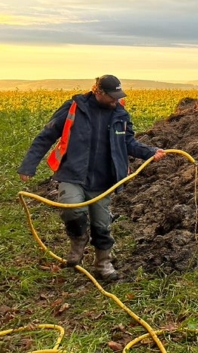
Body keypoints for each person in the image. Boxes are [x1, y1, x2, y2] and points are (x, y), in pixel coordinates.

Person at [17, 75, 166, 281]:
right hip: (73, 173)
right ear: (98, 92)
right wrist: (28, 165)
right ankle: (79, 240)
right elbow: (47, 135)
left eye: (118, 96)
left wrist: (150, 152)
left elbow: (129, 142)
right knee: (71, 210)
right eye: (112, 96)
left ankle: (103, 264)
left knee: (102, 225)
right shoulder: (73, 109)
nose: (116, 100)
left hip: (103, 179)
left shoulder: (120, 114)